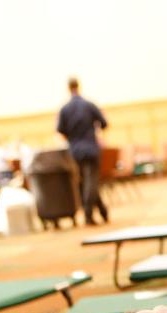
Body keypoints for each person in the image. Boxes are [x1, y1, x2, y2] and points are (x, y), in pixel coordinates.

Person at [57, 77, 109, 225]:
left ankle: (103, 211)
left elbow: (61, 130)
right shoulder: (89, 105)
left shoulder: (64, 108)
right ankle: (88, 214)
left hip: (75, 151)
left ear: (68, 88)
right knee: (90, 182)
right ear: (78, 86)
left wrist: (73, 138)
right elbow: (104, 123)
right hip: (91, 148)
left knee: (87, 181)